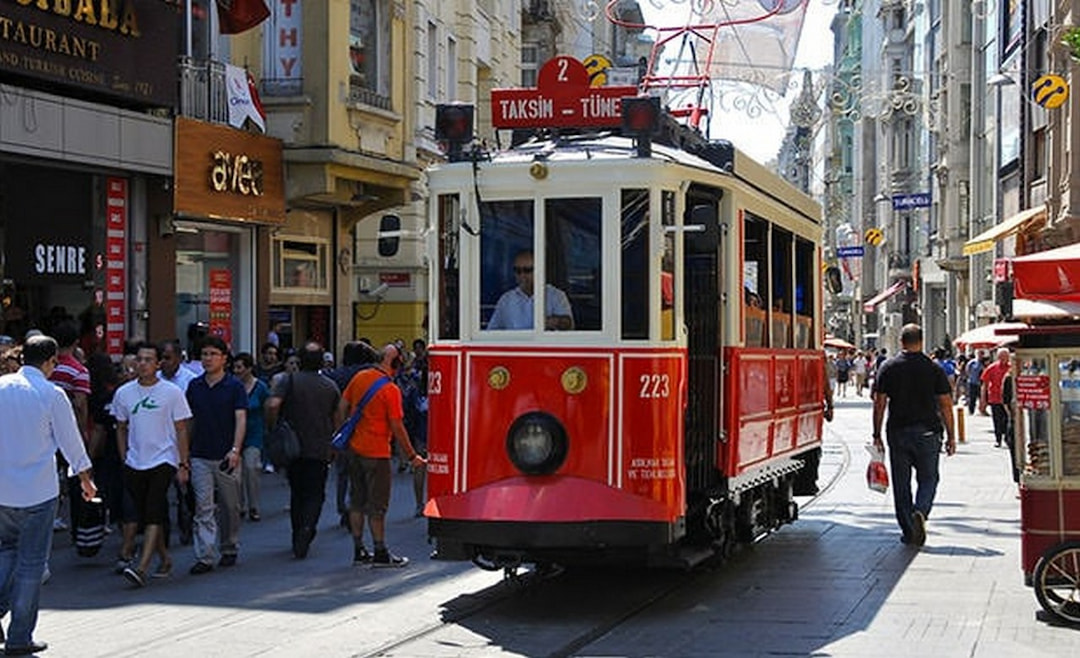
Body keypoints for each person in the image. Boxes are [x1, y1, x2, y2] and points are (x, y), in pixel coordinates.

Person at [0, 335, 97, 656]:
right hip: (39, 490)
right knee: (30, 563)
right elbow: (71, 442)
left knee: (5, 553)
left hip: (3, 489)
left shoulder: (1, 387)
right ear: (51, 361)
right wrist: (85, 478)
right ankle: (19, 637)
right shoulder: (51, 394)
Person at [112, 342, 192, 587]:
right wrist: (124, 456)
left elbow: (181, 430)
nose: (143, 363)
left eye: (149, 359)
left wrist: (183, 463)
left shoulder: (171, 392)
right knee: (145, 513)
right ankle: (165, 558)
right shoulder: (124, 393)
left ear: (158, 364)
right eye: (140, 359)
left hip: (164, 458)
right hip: (136, 460)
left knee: (155, 509)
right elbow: (121, 427)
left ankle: (142, 567)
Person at [339, 344, 426, 567]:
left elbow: (342, 405)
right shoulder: (390, 390)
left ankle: (358, 550)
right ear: (395, 363)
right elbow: (397, 426)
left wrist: (343, 435)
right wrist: (411, 455)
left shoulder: (359, 378)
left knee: (356, 501)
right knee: (378, 505)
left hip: (355, 449)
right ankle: (380, 552)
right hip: (377, 453)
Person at [872, 324, 957, 547]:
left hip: (898, 431)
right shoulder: (933, 368)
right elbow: (946, 404)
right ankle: (921, 510)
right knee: (929, 478)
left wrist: (876, 434)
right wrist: (951, 436)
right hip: (928, 431)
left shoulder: (888, 367)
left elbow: (879, 403)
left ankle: (909, 530)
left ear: (901, 342)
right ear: (922, 341)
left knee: (902, 483)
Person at [266, 342, 341, 559]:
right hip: (319, 447)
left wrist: (273, 426)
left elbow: (272, 405)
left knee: (297, 492)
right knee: (315, 492)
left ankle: (298, 530)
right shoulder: (330, 386)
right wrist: (335, 444)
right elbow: (337, 419)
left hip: (293, 446)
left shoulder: (287, 381)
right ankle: (308, 526)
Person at [185, 336, 247, 574]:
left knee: (231, 506)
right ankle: (205, 555)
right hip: (200, 454)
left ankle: (229, 546)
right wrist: (186, 453)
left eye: (212, 354)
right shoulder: (194, 386)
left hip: (226, 455)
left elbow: (240, 418)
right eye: (204, 354)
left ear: (224, 358)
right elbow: (189, 421)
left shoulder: (234, 386)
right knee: (203, 507)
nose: (207, 359)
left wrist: (235, 450)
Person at [326, 342, 380, 527]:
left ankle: (343, 507)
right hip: (367, 428)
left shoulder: (337, 375)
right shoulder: (372, 373)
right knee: (364, 472)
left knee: (342, 472)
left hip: (342, 427)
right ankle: (358, 505)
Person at [487, 250, 573, 330]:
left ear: (539, 270)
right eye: (518, 271)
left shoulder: (555, 296)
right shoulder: (506, 300)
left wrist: (556, 322)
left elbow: (568, 325)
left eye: (527, 270)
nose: (522, 275)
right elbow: (492, 331)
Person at [232, 353, 270, 522]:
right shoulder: (232, 386)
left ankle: (254, 505)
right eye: (235, 367)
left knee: (250, 467)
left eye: (240, 367)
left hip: (254, 433)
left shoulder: (260, 387)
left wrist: (267, 426)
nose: (236, 370)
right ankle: (239, 505)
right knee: (236, 473)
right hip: (234, 433)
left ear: (249, 368)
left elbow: (268, 407)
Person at [981, 347, 1012, 448]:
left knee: (1007, 419)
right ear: (998, 357)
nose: (1004, 359)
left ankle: (1007, 438)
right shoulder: (992, 368)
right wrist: (983, 400)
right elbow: (984, 384)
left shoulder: (1012, 368)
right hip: (995, 398)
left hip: (1008, 399)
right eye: (1002, 357)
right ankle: (998, 439)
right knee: (997, 420)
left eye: (1006, 357)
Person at [965, 350, 985, 416]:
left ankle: (982, 410)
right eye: (979, 354)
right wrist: (970, 377)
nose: (981, 356)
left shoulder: (984, 362)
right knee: (972, 397)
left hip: (981, 383)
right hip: (972, 382)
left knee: (982, 397)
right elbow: (967, 370)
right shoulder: (972, 362)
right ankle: (971, 410)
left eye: (982, 354)